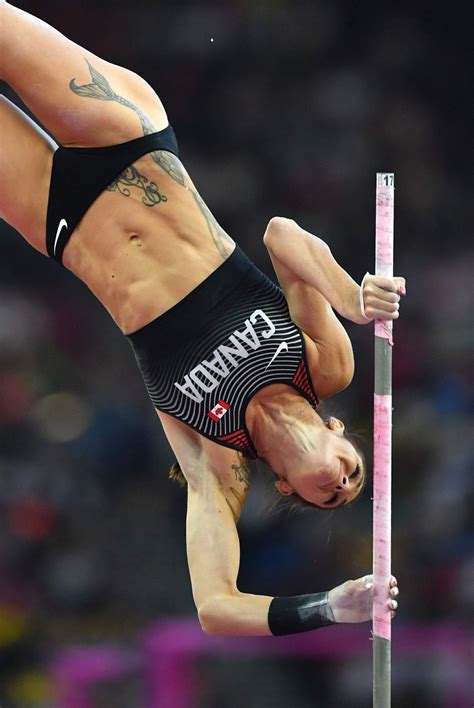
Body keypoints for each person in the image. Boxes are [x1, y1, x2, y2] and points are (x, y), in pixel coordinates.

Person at [0, 3, 401, 636]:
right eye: (355, 470)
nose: (344, 480)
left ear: (293, 491)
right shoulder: (324, 367)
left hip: (59, 220)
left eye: (334, 495)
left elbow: (215, 607)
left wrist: (330, 606)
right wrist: (352, 299)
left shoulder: (219, 466)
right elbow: (283, 237)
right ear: (337, 429)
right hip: (126, 141)